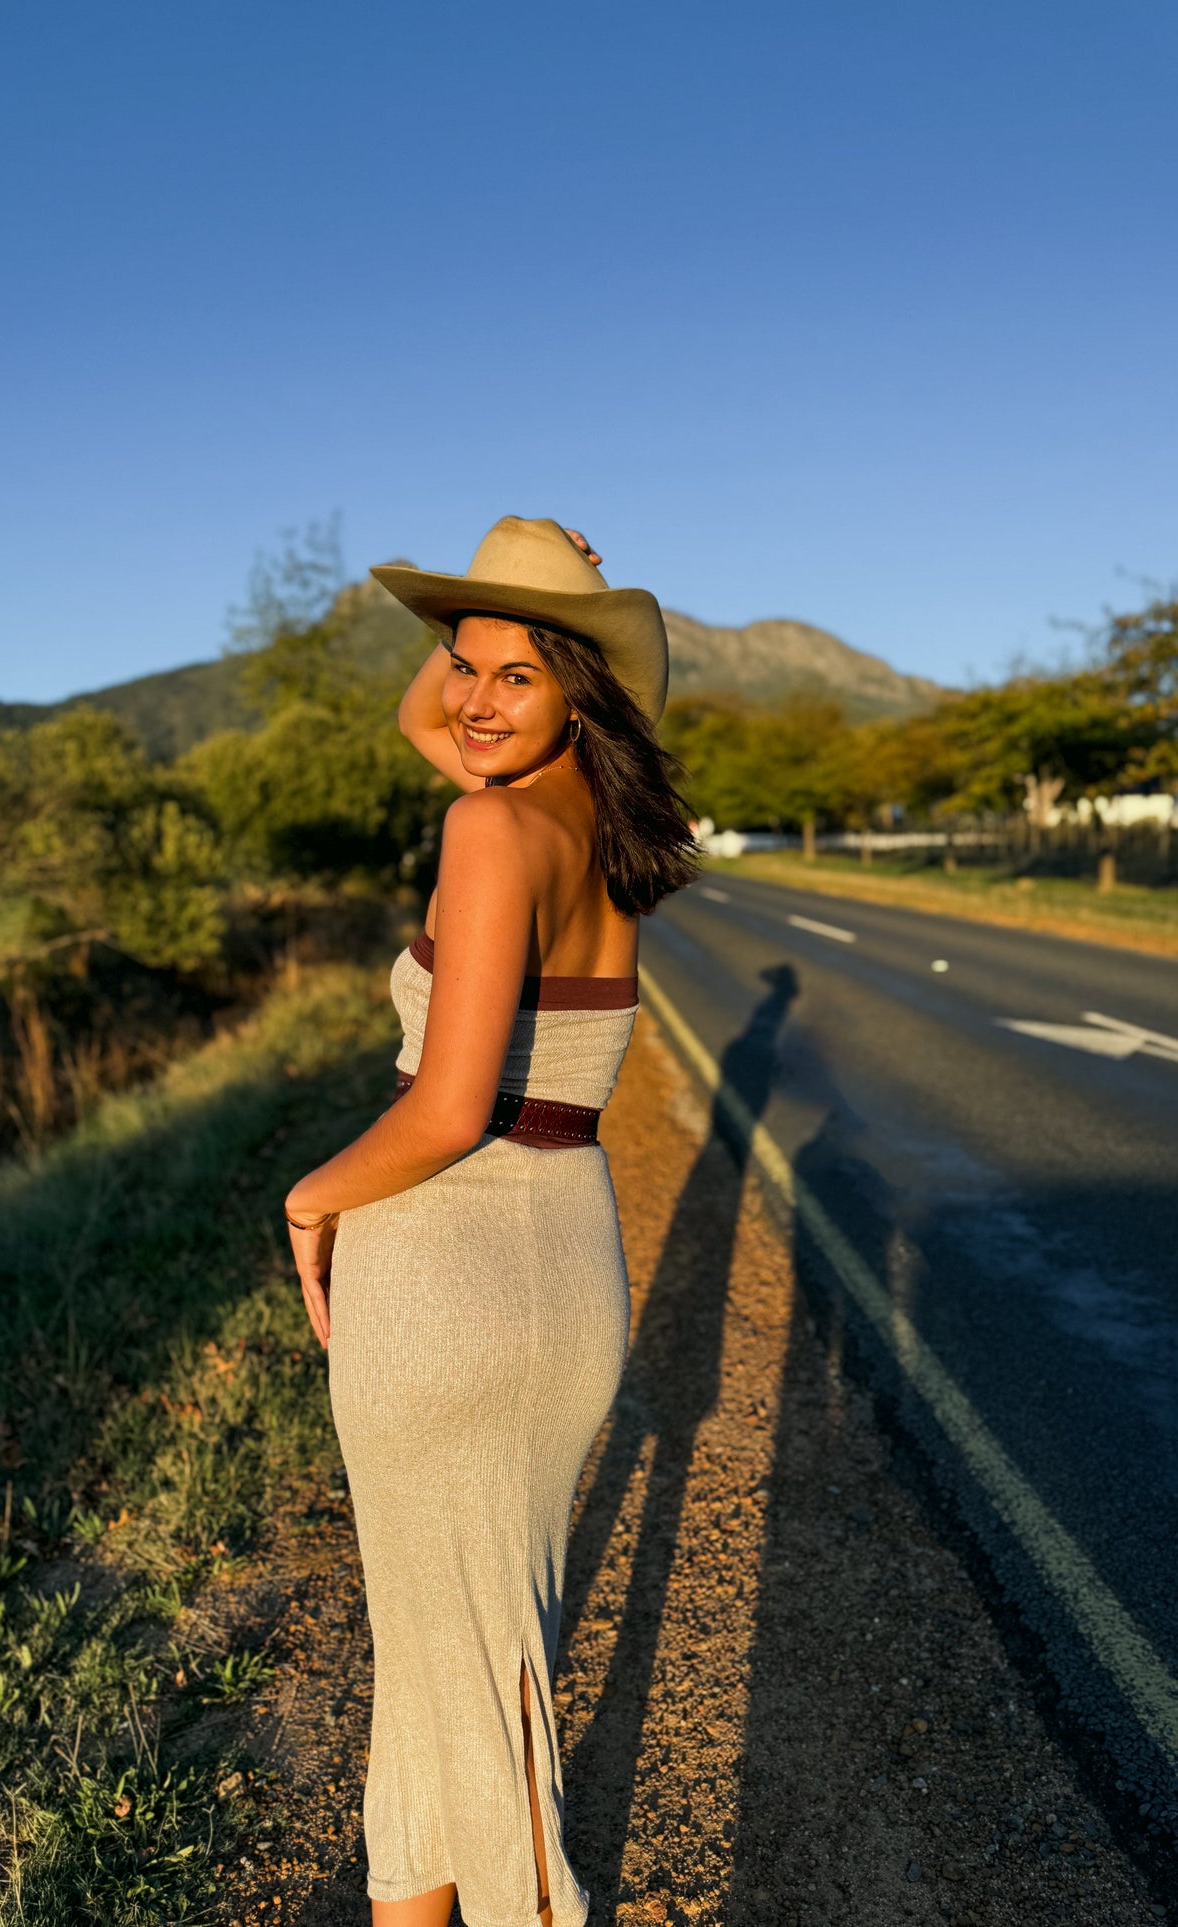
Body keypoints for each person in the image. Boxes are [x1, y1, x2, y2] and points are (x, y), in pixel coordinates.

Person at [283, 517, 699, 1927]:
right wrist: (495, 611)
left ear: (578, 688)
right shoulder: (596, 816)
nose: (464, 700)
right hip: (564, 1270)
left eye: (512, 676)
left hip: (449, 1271)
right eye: (461, 665)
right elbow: (438, 707)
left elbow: (447, 1108)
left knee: (468, 1676)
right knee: (448, 1661)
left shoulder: (487, 822)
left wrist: (309, 1196)